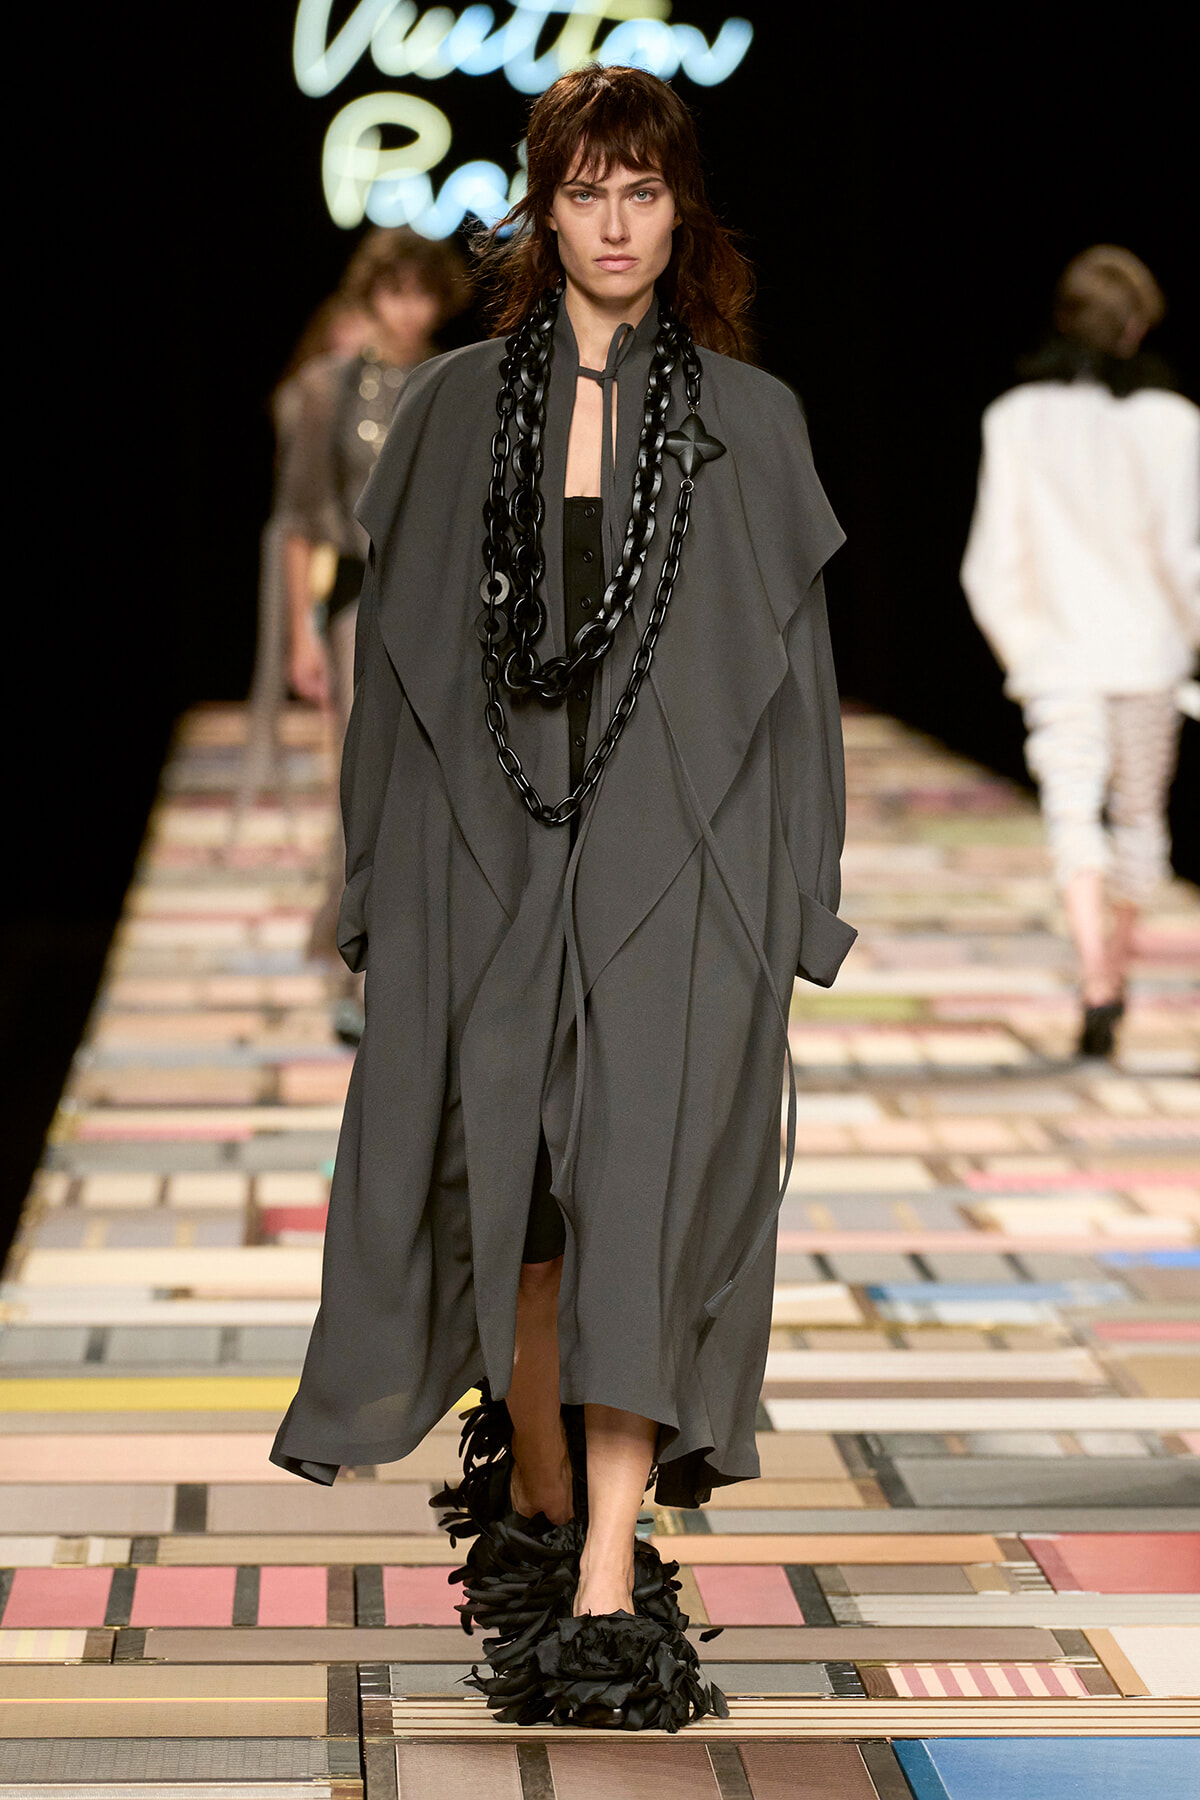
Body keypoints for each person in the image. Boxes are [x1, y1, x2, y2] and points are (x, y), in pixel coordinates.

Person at [271, 65, 856, 1731]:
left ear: (686, 213)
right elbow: (398, 677)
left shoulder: (756, 424)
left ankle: (607, 1573)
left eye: (643, 192)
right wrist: (379, 889)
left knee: (640, 1199)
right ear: (545, 208)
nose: (614, 225)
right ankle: (536, 1506)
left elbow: (793, 689)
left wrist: (801, 904)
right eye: (585, 191)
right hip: (495, 866)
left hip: (684, 872)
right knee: (519, 1214)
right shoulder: (459, 409)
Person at [962, 246, 1200, 1061]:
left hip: (1057, 655)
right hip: (1147, 654)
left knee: (1072, 814)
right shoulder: (1173, 425)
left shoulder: (1015, 418)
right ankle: (1112, 981)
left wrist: (1023, 649)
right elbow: (1183, 557)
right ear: (1135, 327)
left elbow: (990, 561)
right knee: (1137, 820)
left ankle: (1096, 979)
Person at [275, 228, 470, 1036]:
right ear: (370, 293)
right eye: (394, 290)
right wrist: (300, 634)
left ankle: (423, 969)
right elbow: (300, 518)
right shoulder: (328, 387)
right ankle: (355, 971)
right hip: (361, 604)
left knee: (439, 793)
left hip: (449, 612)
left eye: (423, 292)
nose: (408, 308)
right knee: (363, 789)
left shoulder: (463, 382)